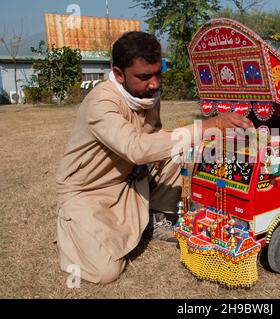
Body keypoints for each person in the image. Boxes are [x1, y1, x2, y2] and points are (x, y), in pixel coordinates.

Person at [55, 31, 253, 284]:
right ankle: (73, 225)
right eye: (144, 76)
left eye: (158, 73)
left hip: (130, 176)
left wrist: (162, 151)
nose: (155, 83)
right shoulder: (101, 103)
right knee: (105, 271)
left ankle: (154, 217)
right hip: (89, 191)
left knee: (177, 148)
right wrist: (208, 125)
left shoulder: (147, 96)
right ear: (118, 74)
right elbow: (136, 148)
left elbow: (155, 136)